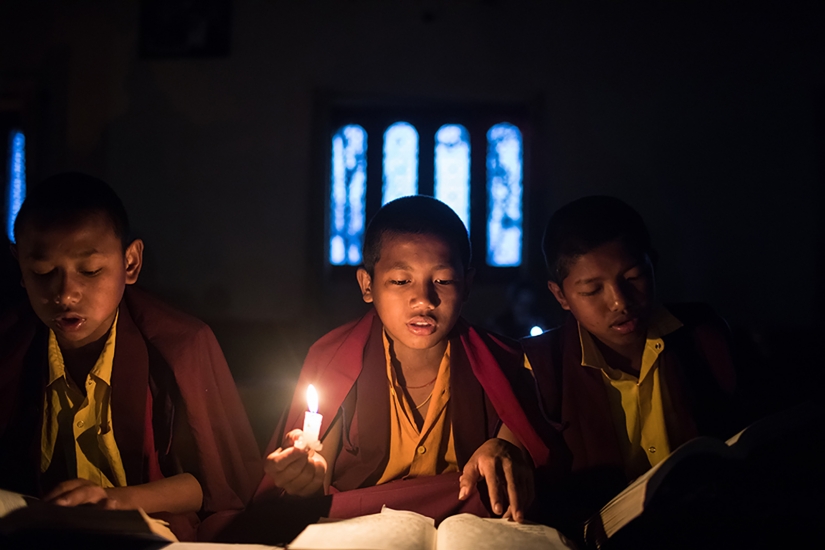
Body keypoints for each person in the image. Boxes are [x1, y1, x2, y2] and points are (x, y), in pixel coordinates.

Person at [253, 196, 564, 538]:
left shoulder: (503, 362)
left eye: (443, 281)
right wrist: (304, 479)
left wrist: (505, 452)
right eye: (401, 281)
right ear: (367, 285)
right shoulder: (335, 358)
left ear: (467, 284)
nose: (424, 300)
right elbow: (314, 478)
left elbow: (520, 469)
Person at [0, 172, 262, 541]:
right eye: (42, 272)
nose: (66, 294)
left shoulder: (180, 346)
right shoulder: (10, 343)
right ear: (20, 267)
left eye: (90, 271)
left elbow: (217, 483)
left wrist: (113, 501)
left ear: (131, 263)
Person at [521, 195, 744, 529]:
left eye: (634, 277)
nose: (619, 302)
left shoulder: (702, 336)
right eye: (592, 290)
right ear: (560, 295)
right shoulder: (541, 365)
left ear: (653, 264)